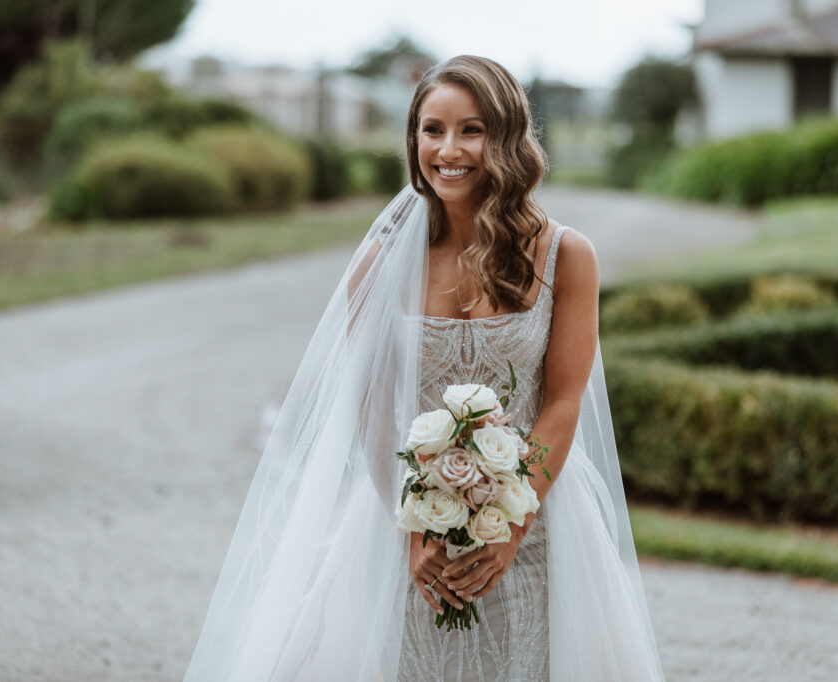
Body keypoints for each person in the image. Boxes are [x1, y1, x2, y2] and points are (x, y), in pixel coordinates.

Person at [184, 55, 666, 681]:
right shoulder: (380, 263)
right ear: (413, 139)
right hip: (404, 521)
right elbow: (372, 407)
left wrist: (510, 527)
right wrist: (412, 532)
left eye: (472, 130)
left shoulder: (566, 256)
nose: (448, 149)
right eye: (432, 129)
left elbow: (562, 401)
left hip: (538, 521)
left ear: (507, 139)